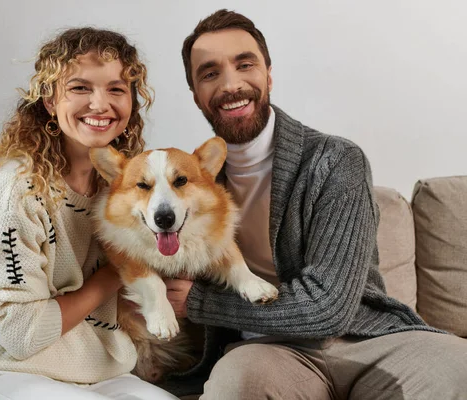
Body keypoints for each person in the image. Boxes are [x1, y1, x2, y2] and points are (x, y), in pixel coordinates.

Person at [164, 9, 467, 399]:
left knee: (457, 367)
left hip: (365, 338)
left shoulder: (336, 160)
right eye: (210, 73)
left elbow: (329, 308)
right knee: (234, 385)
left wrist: (201, 303)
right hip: (267, 352)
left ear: (268, 74)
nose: (231, 84)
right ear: (195, 95)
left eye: (245, 64)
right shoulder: (183, 184)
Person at [0, 27, 178, 400]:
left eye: (116, 89)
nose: (100, 104)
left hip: (102, 376)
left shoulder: (123, 190)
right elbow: (22, 336)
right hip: (9, 376)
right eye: (80, 88)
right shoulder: (18, 192)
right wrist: (114, 274)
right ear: (50, 100)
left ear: (132, 104)